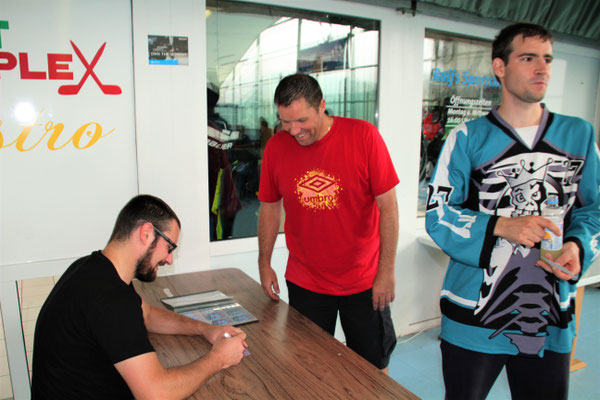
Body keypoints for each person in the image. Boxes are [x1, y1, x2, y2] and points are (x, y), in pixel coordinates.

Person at [426, 22, 600, 400]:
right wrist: (502, 225)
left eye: (547, 59)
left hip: (550, 316)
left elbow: (594, 211)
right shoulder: (467, 138)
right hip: (473, 314)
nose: (542, 69)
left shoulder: (580, 136)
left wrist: (576, 246)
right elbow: (438, 214)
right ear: (500, 68)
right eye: (528, 58)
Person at [32, 195, 247, 399]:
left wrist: (205, 329)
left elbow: (148, 314)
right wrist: (218, 358)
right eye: (169, 246)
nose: (169, 259)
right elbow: (157, 394)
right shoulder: (110, 298)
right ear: (146, 233)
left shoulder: (91, 269)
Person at [258, 73, 399, 372]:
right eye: (285, 121)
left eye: (301, 120)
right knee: (308, 367)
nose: (294, 130)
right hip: (306, 280)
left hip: (363, 281)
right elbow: (270, 208)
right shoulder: (276, 147)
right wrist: (264, 261)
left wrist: (385, 271)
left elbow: (388, 208)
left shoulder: (364, 136)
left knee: (373, 369)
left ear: (322, 105)